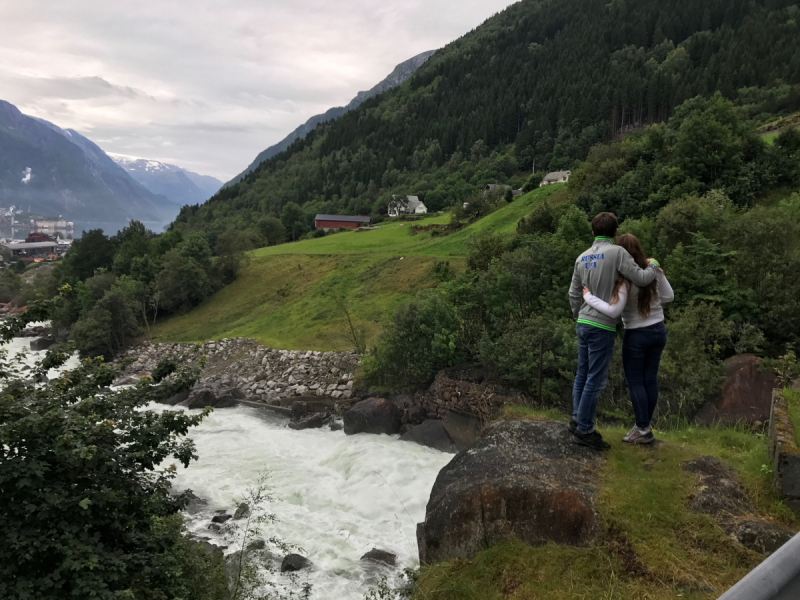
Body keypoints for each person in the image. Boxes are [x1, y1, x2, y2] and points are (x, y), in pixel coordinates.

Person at [568, 213, 660, 451]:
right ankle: (585, 430)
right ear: (615, 232)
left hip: (583, 322)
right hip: (602, 326)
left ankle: (577, 419)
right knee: (595, 380)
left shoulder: (581, 258)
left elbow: (573, 294)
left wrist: (579, 315)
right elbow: (640, 278)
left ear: (592, 232)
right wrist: (654, 265)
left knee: (582, 373)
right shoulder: (617, 253)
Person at [581, 233, 674, 445]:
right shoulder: (655, 272)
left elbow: (614, 311)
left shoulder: (624, 281)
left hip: (636, 334)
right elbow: (670, 296)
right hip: (659, 330)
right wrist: (654, 303)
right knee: (650, 379)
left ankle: (642, 429)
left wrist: (588, 297)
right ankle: (644, 426)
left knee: (635, 381)